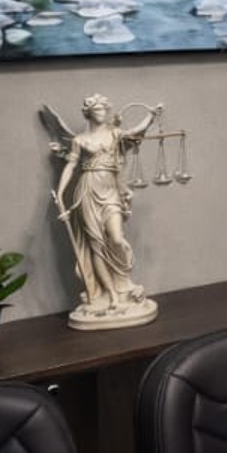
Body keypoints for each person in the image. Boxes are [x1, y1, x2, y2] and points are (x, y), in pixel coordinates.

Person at [50, 94, 160, 326]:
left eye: (104, 109)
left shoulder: (114, 133)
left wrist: (150, 116)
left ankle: (123, 283)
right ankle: (110, 294)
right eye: (97, 109)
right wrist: (60, 193)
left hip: (110, 191)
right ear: (88, 113)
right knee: (96, 246)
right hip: (87, 190)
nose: (102, 112)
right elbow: (70, 166)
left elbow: (135, 132)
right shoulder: (79, 140)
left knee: (117, 239)